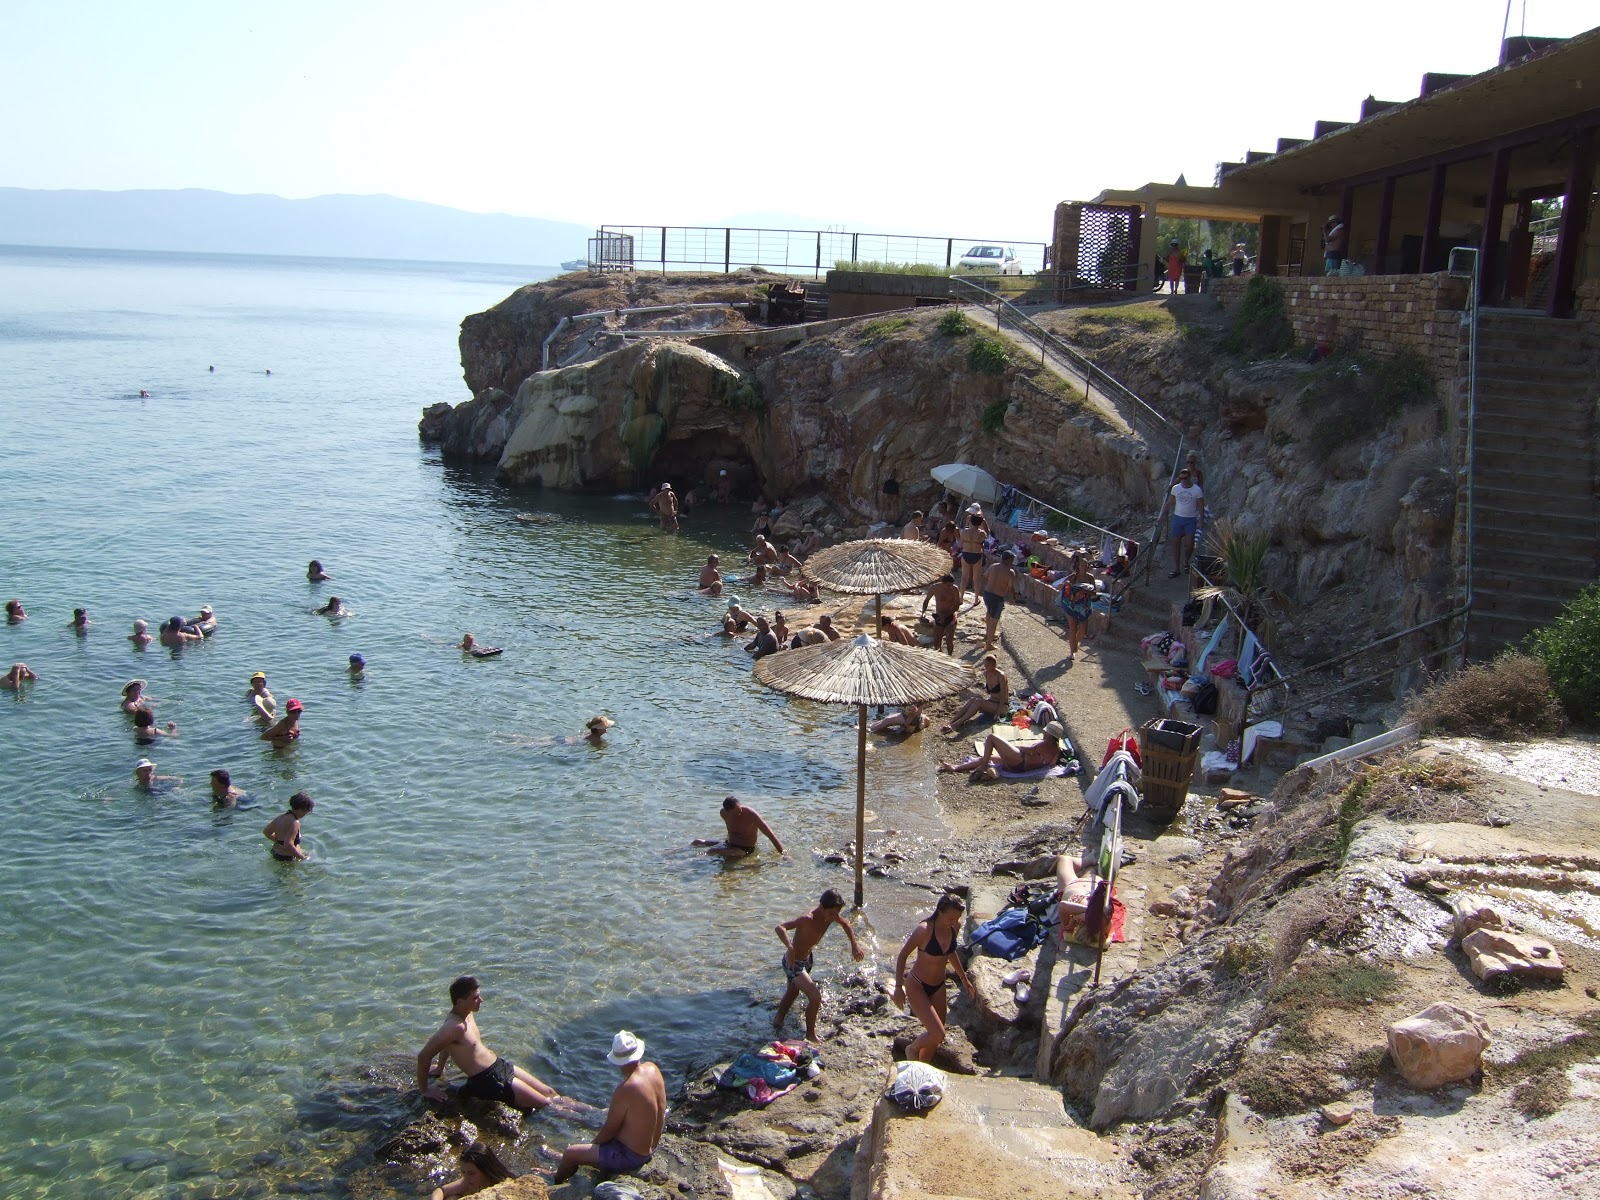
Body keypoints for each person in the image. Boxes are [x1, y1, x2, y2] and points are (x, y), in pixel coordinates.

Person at [417, 975, 565, 1109]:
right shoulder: (454, 1026)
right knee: (547, 1105)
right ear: (461, 1001)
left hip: (499, 1065)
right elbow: (424, 1056)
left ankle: (587, 1110)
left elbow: (447, 1045)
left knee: (550, 1092)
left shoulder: (467, 1014)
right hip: (488, 1081)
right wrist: (425, 1090)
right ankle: (584, 1121)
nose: (481, 1000)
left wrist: (439, 1069)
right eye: (475, 998)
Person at [550, 1031, 665, 1185]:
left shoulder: (627, 1088)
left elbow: (610, 1128)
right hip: (651, 1147)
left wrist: (593, 1145)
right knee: (588, 1141)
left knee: (570, 1154)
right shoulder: (652, 1069)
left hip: (632, 1157)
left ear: (619, 1061)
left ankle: (555, 1184)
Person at [774, 889, 865, 1042]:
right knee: (815, 997)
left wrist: (854, 945)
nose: (833, 918)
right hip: (793, 963)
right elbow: (780, 927)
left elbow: (846, 924)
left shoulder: (831, 916)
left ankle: (777, 1021)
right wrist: (790, 947)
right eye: (831, 914)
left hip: (807, 959)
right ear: (822, 907)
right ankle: (810, 1035)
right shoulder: (806, 919)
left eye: (836, 914)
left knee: (792, 993)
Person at [892, 894, 974, 1062]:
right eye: (951, 917)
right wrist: (898, 988)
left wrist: (964, 979)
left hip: (938, 986)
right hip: (917, 985)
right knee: (937, 1033)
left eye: (957, 917)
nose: (954, 921)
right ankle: (912, 1048)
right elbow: (902, 956)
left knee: (935, 1039)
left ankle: (922, 1069)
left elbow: (949, 952)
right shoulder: (924, 930)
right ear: (940, 912)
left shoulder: (954, 926)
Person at [942, 721, 1066, 782]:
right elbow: (1050, 765)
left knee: (992, 738)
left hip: (1019, 761)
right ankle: (956, 767)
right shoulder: (1056, 749)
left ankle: (982, 766)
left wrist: (1013, 746)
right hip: (1022, 768)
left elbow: (1029, 750)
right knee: (988, 757)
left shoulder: (1043, 744)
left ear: (1049, 734)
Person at [940, 654, 1009, 733]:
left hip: (1002, 706)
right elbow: (989, 691)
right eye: (985, 666)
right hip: (992, 702)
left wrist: (997, 712)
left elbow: (1003, 695)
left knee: (978, 702)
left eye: (988, 666)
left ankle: (956, 725)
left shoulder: (1001, 676)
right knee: (973, 699)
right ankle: (951, 722)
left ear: (994, 665)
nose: (986, 668)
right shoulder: (986, 674)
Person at [701, 795, 784, 858]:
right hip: (729, 844)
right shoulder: (723, 814)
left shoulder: (751, 815)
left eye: (740, 810)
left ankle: (696, 863)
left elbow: (770, 835)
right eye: (736, 813)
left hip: (745, 849)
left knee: (712, 851)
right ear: (728, 812)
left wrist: (783, 854)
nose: (740, 814)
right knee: (697, 842)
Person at [1159, 466, 1204, 578]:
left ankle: (1186, 561)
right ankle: (1176, 568)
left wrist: (1201, 520)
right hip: (1178, 518)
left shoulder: (1196, 490)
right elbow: (1169, 502)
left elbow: (1201, 506)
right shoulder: (1176, 488)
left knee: (1189, 545)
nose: (1183, 480)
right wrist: (1162, 516)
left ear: (1190, 478)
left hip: (1190, 519)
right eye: (1181, 478)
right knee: (1176, 543)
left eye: (1185, 478)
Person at [430, 1141, 513, 1200]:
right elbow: (440, 1191)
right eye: (463, 1172)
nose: (466, 1179)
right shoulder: (467, 1182)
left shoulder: (504, 1185)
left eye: (472, 1173)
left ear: (486, 1170)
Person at [1056, 554, 1097, 664]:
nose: (1085, 567)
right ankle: (1072, 651)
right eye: (1083, 565)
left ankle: (1075, 643)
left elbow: (1094, 592)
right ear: (1078, 566)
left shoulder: (1090, 578)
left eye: (1086, 565)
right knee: (1073, 627)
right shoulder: (1073, 577)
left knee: (1083, 631)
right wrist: (1068, 585)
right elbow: (1064, 586)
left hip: (1084, 606)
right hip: (1072, 605)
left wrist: (1085, 591)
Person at [978, 550, 1018, 651]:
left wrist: (991, 583)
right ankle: (988, 644)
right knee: (994, 622)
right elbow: (1010, 587)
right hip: (997, 597)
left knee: (988, 613)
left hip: (987, 593)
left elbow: (984, 576)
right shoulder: (1010, 572)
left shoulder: (994, 566)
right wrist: (1013, 598)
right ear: (1009, 560)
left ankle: (988, 635)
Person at [263, 791, 313, 861]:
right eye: (307, 810)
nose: (306, 813)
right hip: (286, 857)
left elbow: (266, 832)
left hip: (275, 852)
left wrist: (279, 843)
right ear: (301, 809)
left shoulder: (281, 817)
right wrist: (302, 857)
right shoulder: (295, 822)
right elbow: (288, 844)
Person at [956, 510, 987, 604]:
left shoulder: (965, 532)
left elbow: (960, 545)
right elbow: (984, 543)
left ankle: (961, 598)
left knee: (964, 577)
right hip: (977, 554)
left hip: (966, 553)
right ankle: (976, 599)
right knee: (976, 578)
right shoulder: (982, 533)